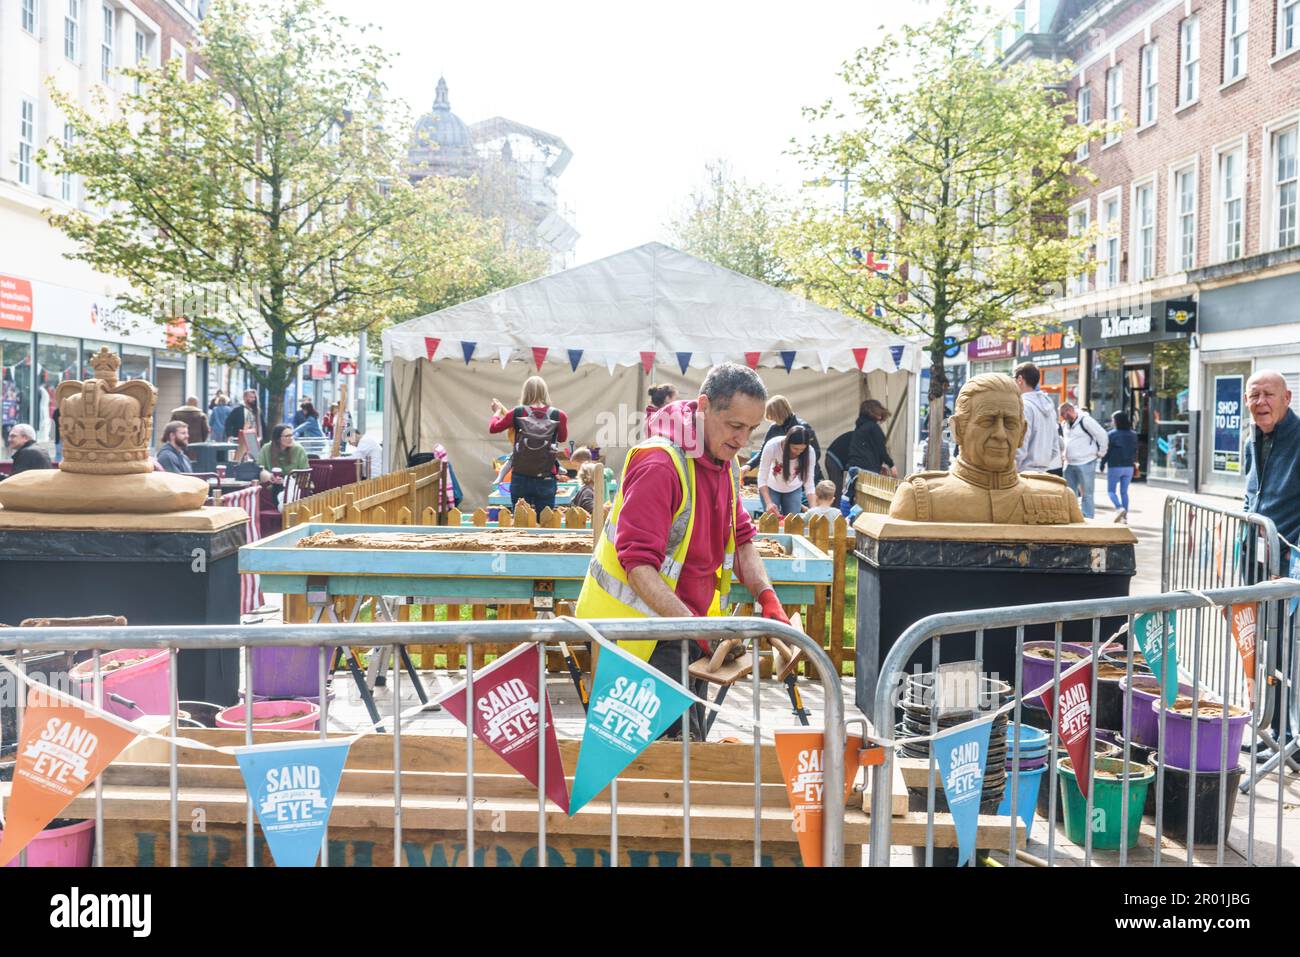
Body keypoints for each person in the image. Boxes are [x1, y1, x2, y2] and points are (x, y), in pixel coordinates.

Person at [575, 362, 788, 741]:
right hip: (638, 644)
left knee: (684, 766)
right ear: (704, 406)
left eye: (752, 429)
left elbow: (740, 540)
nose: (743, 439)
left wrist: (768, 598)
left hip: (686, 635)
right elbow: (639, 567)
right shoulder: (660, 464)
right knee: (649, 774)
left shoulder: (725, 460)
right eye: (735, 426)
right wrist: (699, 629)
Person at [890, 374, 1083, 524]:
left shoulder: (1061, 498)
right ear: (958, 430)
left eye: (1010, 423)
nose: (1000, 434)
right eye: (987, 421)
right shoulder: (920, 499)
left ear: (1022, 433)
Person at [489, 376, 568, 513]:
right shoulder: (559, 415)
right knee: (546, 520)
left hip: (521, 475)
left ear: (525, 392)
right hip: (546, 476)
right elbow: (562, 438)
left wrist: (496, 412)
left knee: (520, 520)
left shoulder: (517, 412)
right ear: (545, 392)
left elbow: (493, 428)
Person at [1243, 370, 1300, 547]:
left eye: (1268, 394)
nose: (1261, 401)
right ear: (1246, 400)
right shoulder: (1250, 441)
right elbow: (1250, 494)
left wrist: (1296, 550)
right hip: (1254, 556)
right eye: (1254, 395)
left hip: (1289, 560)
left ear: (1287, 397)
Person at [746, 395, 822, 482]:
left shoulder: (803, 428)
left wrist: (795, 463)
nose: (772, 419)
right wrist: (749, 465)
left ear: (779, 413)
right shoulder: (774, 428)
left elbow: (816, 453)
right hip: (783, 479)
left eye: (773, 416)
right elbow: (763, 452)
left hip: (805, 477)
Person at [1059, 401, 1108, 520]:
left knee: (1087, 493)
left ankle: (1088, 517)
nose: (1063, 418)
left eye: (1064, 414)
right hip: (1069, 463)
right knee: (1070, 494)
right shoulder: (1065, 423)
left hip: (1086, 462)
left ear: (1070, 411)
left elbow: (1102, 434)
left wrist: (1102, 452)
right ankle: (1073, 516)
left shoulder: (1085, 420)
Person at [1013, 362, 1062, 475]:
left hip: (1022, 474)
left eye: (1013, 378)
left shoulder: (1023, 406)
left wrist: (1013, 468)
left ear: (1020, 379)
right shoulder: (1050, 408)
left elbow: (1020, 445)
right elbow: (1055, 448)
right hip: (1043, 473)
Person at [758, 425, 816, 517]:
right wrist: (769, 503)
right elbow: (762, 477)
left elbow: (809, 483)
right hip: (771, 487)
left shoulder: (810, 452)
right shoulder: (772, 446)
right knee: (772, 520)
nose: (798, 452)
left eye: (802, 449)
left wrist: (813, 508)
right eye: (795, 448)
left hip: (794, 488)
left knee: (793, 522)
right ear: (787, 443)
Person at [258, 424, 309, 506]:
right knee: (272, 488)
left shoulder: (299, 449)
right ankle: (284, 512)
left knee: (281, 491)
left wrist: (286, 482)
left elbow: (305, 473)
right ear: (278, 439)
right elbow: (260, 468)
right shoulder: (266, 449)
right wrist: (270, 477)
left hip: (294, 487)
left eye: (292, 435)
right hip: (273, 486)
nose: (291, 438)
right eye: (287, 436)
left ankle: (285, 512)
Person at [1104, 411, 1138, 524]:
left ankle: (1119, 508)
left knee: (1111, 491)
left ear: (1117, 421)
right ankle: (1124, 517)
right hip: (1129, 467)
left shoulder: (1111, 434)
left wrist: (1102, 463)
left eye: (1113, 419)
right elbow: (1135, 450)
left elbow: (1107, 451)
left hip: (1115, 466)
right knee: (1124, 492)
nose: (1112, 422)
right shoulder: (1133, 434)